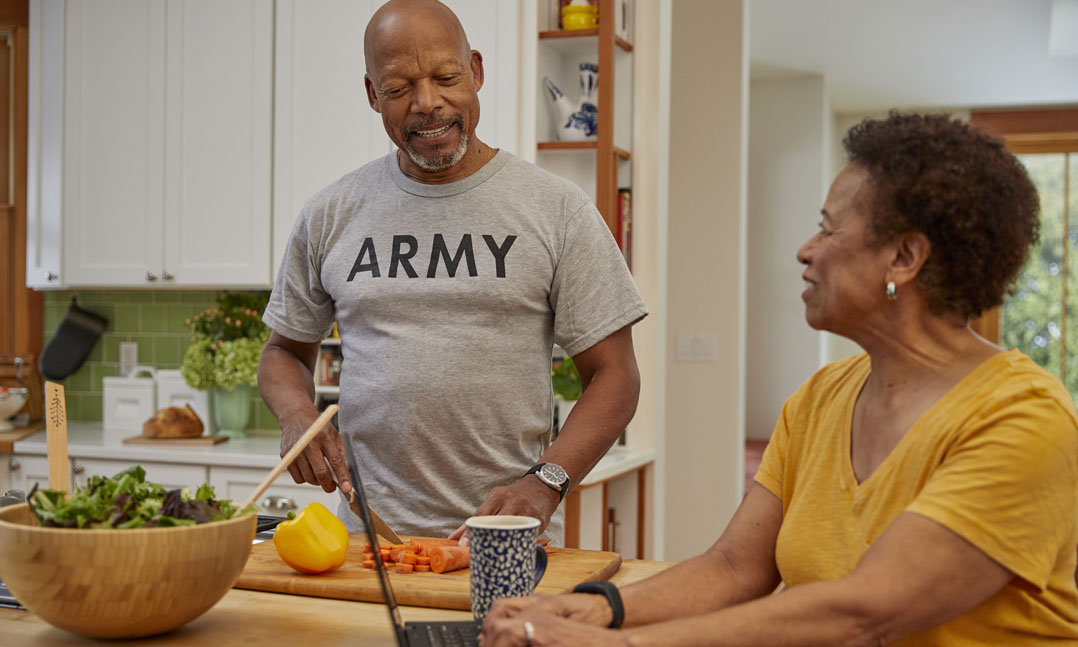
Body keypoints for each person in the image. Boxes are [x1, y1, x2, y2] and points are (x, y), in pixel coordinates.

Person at [481, 112, 1078, 646]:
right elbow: (735, 569)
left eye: (828, 228)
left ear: (903, 258)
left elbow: (865, 613)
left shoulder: (1024, 420)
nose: (805, 250)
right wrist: (589, 611)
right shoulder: (821, 400)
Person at [258, 0, 647, 544]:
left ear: (477, 71)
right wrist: (297, 415)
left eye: (446, 77)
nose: (428, 104)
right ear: (372, 95)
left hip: (508, 536)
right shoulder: (330, 213)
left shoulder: (557, 209)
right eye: (398, 88)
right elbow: (282, 352)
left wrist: (547, 482)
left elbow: (616, 377)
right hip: (369, 542)